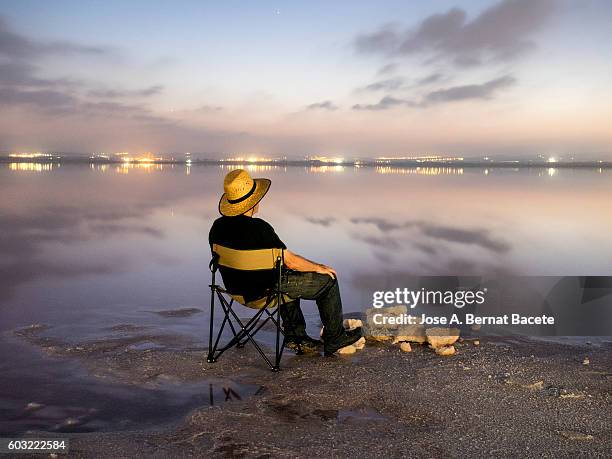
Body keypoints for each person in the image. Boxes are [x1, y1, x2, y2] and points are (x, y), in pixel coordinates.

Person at [209, 168, 362, 356]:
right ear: (254, 201)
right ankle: (334, 338)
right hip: (265, 293)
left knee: (284, 278)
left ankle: (297, 338)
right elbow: (290, 261)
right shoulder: (260, 229)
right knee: (327, 281)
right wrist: (318, 267)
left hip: (234, 291)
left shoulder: (217, 227)